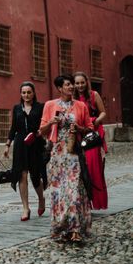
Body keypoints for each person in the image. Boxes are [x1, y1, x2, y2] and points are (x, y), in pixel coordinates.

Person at [39, 74, 94, 243]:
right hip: (57, 154)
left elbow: (90, 128)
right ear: (60, 88)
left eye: (72, 84)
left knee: (74, 190)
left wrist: (79, 128)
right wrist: (51, 123)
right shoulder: (50, 105)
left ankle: (75, 229)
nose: (71, 87)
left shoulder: (80, 106)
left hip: (74, 153)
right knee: (58, 192)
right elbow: (42, 130)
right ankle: (60, 228)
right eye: (68, 85)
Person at [3, 82, 46, 221]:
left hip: (35, 143)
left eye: (29, 92)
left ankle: (41, 199)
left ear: (33, 93)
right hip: (21, 143)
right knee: (22, 175)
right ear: (20, 94)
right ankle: (25, 207)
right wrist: (7, 145)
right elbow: (13, 128)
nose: (26, 95)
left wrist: (40, 133)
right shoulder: (17, 108)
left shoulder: (40, 107)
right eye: (23, 92)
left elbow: (44, 125)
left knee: (35, 175)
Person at [74, 71, 108, 210]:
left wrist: (96, 121)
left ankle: (97, 201)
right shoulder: (72, 98)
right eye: (77, 83)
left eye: (82, 82)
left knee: (93, 168)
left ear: (86, 82)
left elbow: (103, 112)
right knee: (80, 170)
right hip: (78, 133)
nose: (80, 85)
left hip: (92, 135)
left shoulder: (94, 95)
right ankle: (84, 203)